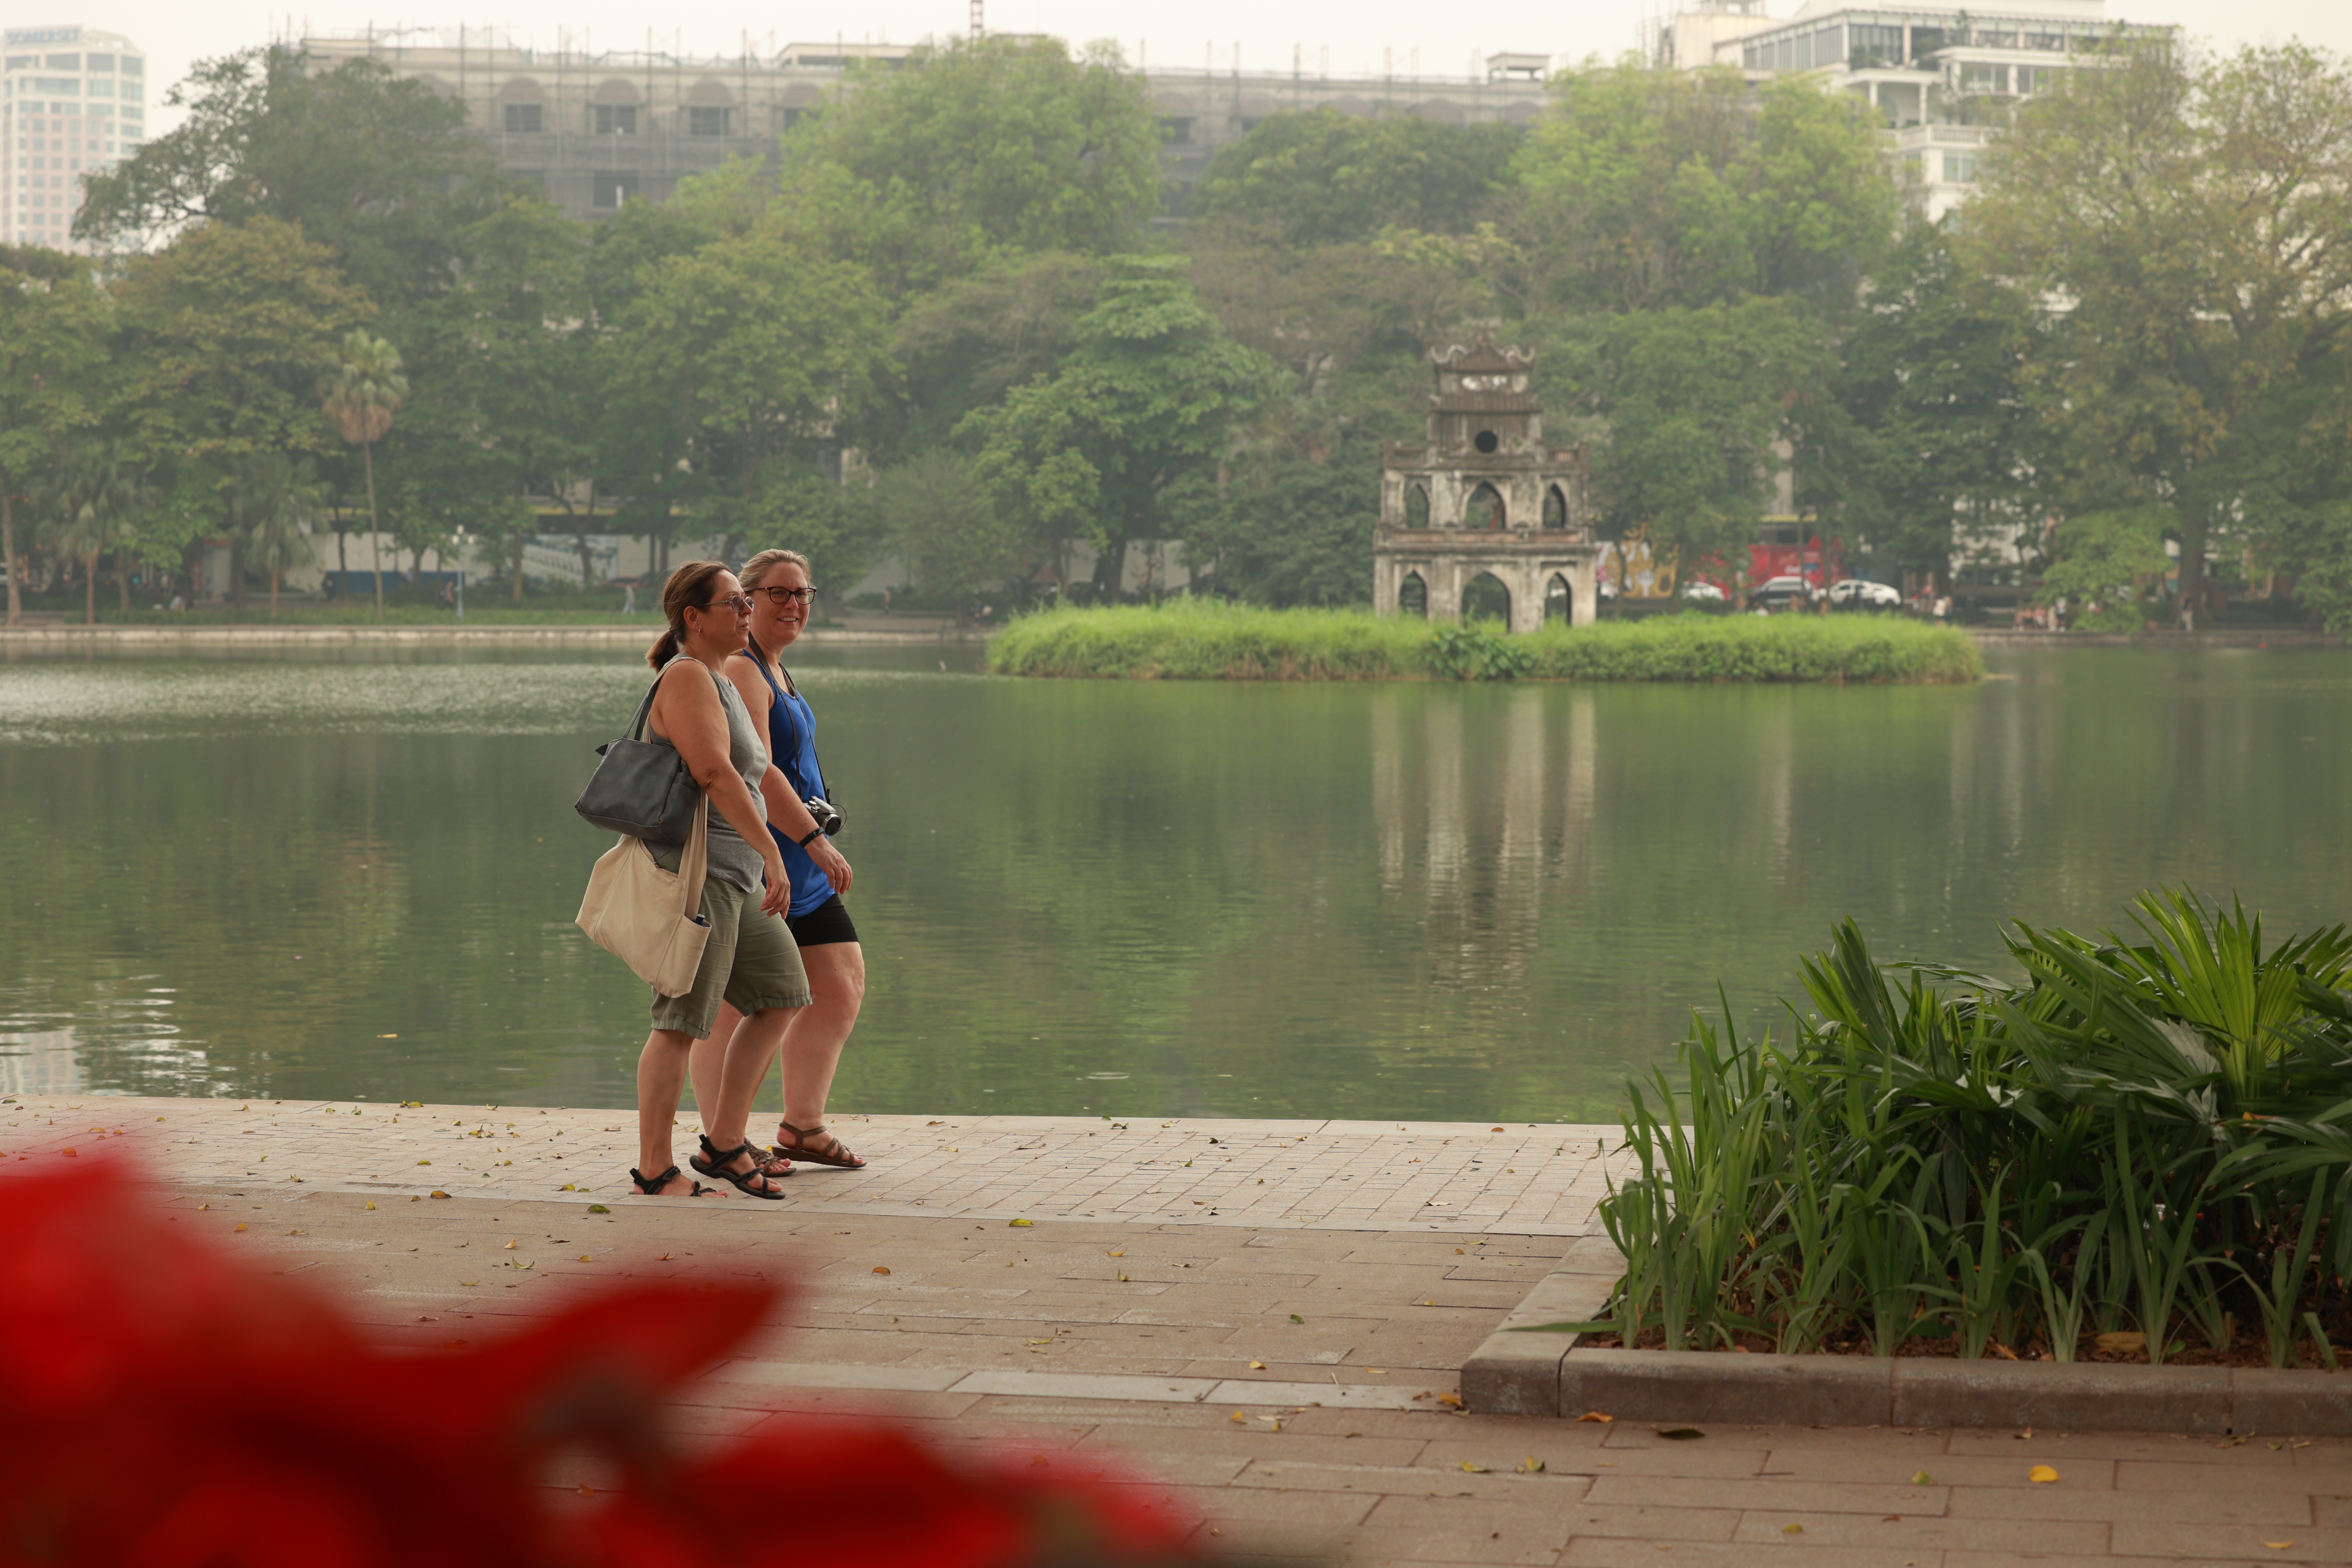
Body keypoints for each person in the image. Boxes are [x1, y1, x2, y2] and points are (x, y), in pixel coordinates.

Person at [627, 560, 810, 1199]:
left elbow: (755, 774)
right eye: (733, 603)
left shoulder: (724, 681)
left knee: (784, 993)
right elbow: (714, 774)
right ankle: (654, 1170)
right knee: (678, 1023)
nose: (744, 612)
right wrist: (775, 854)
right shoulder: (684, 677)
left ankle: (723, 1144)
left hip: (738, 877)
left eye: (743, 602)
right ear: (693, 618)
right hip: (701, 876)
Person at [687, 548, 869, 1172]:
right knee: (738, 1005)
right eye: (777, 594)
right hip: (767, 866)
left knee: (840, 982)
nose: (793, 605)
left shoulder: (777, 670)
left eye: (802, 595)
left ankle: (803, 1124)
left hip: (802, 867)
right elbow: (759, 776)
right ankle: (723, 1139)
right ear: (748, 601)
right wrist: (812, 840)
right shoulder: (743, 671)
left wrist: (814, 840)